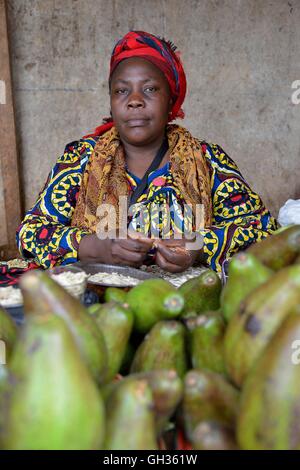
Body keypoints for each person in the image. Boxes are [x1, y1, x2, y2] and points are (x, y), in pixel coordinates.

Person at [16, 31, 277, 274]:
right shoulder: (81, 159)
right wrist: (96, 248)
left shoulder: (208, 160)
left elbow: (262, 229)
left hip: (190, 304)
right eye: (121, 90)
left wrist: (199, 246)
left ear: (171, 99)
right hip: (99, 306)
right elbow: (30, 233)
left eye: (150, 89)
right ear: (111, 100)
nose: (135, 99)